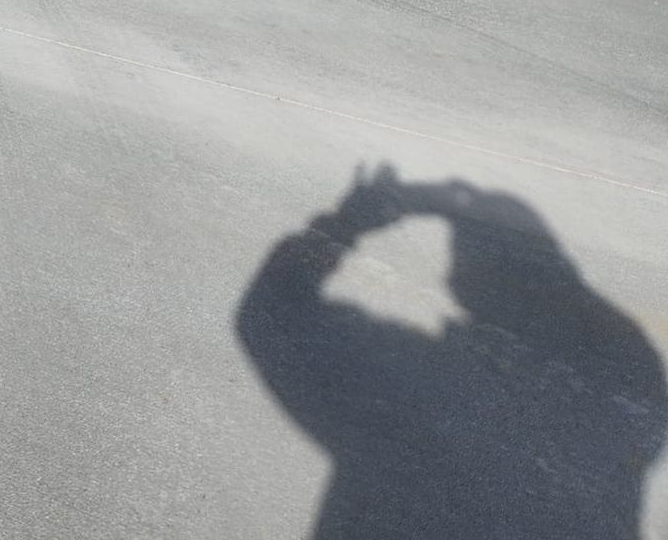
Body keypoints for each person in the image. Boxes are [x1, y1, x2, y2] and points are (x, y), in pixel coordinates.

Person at [237, 166, 666, 539]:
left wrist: (346, 223)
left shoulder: (417, 379)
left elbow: (266, 312)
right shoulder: (632, 383)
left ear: (463, 280)